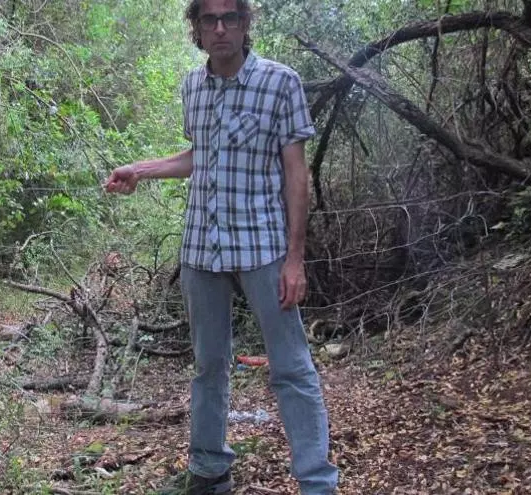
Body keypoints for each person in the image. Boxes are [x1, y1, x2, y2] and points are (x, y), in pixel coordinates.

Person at [104, 1, 339, 494]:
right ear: (196, 27)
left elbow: (296, 173)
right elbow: (201, 156)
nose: (219, 29)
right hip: (201, 250)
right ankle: (209, 471)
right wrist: (140, 170)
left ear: (245, 23)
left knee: (291, 367)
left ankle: (317, 483)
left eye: (229, 18)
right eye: (208, 20)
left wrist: (296, 259)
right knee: (208, 366)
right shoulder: (193, 86)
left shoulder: (280, 83)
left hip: (263, 248)